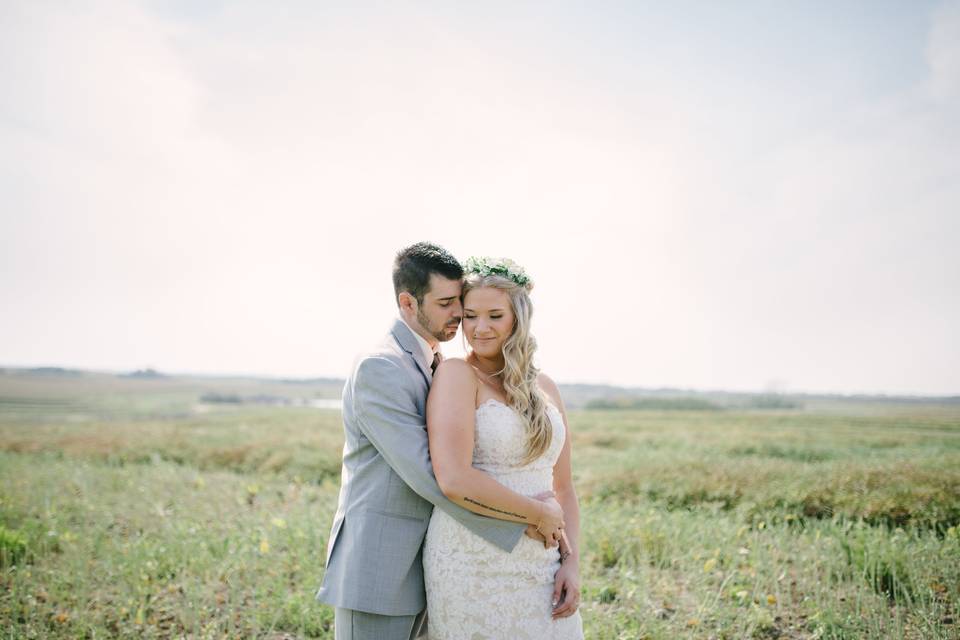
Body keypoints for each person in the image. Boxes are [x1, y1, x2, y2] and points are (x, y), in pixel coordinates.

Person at [315, 243, 566, 640]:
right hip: (381, 567)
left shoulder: (435, 364)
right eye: (448, 303)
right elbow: (432, 475)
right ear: (408, 303)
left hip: (437, 564)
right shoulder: (381, 366)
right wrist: (526, 519)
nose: (459, 315)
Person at [423, 256, 584, 639]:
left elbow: (565, 488)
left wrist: (571, 563)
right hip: (472, 559)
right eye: (470, 316)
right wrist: (538, 514)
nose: (480, 328)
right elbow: (454, 478)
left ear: (518, 318)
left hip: (543, 565)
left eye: (495, 316)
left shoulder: (545, 386)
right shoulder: (456, 375)